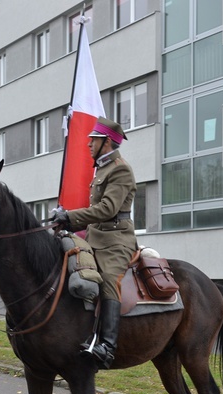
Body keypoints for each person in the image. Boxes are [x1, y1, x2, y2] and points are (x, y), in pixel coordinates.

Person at [53, 117, 137, 369]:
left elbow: (107, 209)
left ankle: (107, 347)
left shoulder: (120, 169)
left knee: (109, 278)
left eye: (94, 139)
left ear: (107, 142)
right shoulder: (101, 167)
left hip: (116, 240)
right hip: (94, 236)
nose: (88, 143)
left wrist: (69, 217)